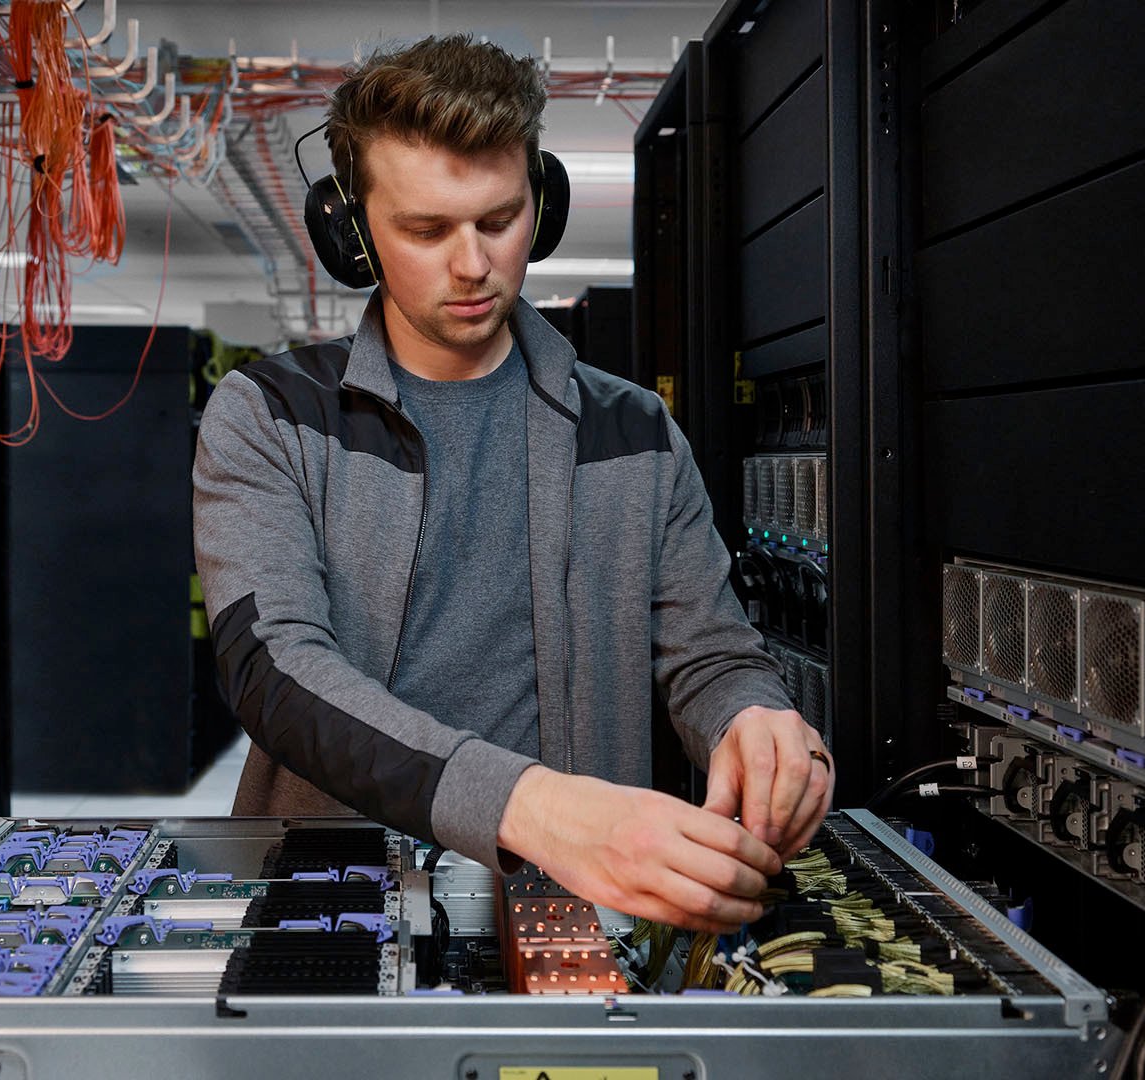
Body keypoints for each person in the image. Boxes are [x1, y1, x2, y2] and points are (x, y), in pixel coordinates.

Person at [193, 34, 832, 933]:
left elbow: (710, 656)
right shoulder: (271, 416)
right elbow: (278, 672)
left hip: (581, 917)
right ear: (354, 234)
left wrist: (757, 721)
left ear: (545, 202)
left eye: (499, 220)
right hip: (330, 912)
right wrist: (532, 808)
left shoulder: (634, 431)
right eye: (425, 229)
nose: (472, 264)